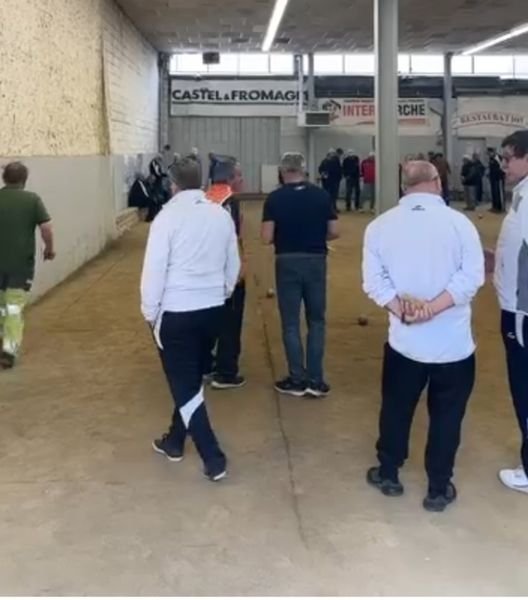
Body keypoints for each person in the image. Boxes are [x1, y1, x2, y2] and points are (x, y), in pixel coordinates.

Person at [362, 160, 484, 512]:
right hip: (453, 346)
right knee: (447, 416)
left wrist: (403, 310)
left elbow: (375, 282)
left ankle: (388, 473)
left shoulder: (380, 226)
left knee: (396, 409)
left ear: (404, 186)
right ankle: (438, 487)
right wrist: (434, 307)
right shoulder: (460, 224)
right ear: (437, 182)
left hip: (405, 342)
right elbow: (471, 278)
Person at [140, 157, 240, 482]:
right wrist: (221, 294)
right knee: (192, 379)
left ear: (172, 184)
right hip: (213, 310)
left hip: (176, 313)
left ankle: (213, 457)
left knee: (184, 386)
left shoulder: (167, 218)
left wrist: (149, 312)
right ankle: (174, 441)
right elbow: (232, 265)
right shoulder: (220, 214)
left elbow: (154, 270)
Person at [261, 152, 338, 398]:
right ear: (304, 170)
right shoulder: (321, 195)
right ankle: (315, 380)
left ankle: (296, 377)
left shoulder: (274, 199)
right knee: (316, 321)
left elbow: (266, 237)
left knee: (291, 322)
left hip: (287, 261)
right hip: (316, 260)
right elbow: (334, 231)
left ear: (283, 172)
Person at [491, 130, 528, 494]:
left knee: (525, 387)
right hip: (518, 305)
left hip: (523, 311)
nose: (503, 165)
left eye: (508, 157)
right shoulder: (520, 196)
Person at [0, 162, 55, 369]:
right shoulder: (32, 200)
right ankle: (9, 349)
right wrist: (49, 249)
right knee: (13, 307)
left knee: (0, 306)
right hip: (20, 267)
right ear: (24, 179)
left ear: (4, 179)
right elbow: (47, 228)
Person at [205, 157, 247, 390]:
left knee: (209, 320)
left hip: (204, 273)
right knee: (230, 323)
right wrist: (238, 273)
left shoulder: (205, 197)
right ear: (230, 179)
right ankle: (226, 372)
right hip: (223, 273)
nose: (242, 180)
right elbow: (230, 240)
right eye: (239, 176)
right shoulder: (229, 202)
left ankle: (205, 363)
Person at [488, 147, 505, 213]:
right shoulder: (491, 159)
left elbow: (502, 167)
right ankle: (494, 207)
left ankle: (500, 208)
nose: (489, 154)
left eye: (490, 153)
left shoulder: (498, 158)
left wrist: (500, 175)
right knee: (494, 193)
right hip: (493, 178)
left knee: (499, 193)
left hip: (498, 179)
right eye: (488, 153)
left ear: (493, 152)